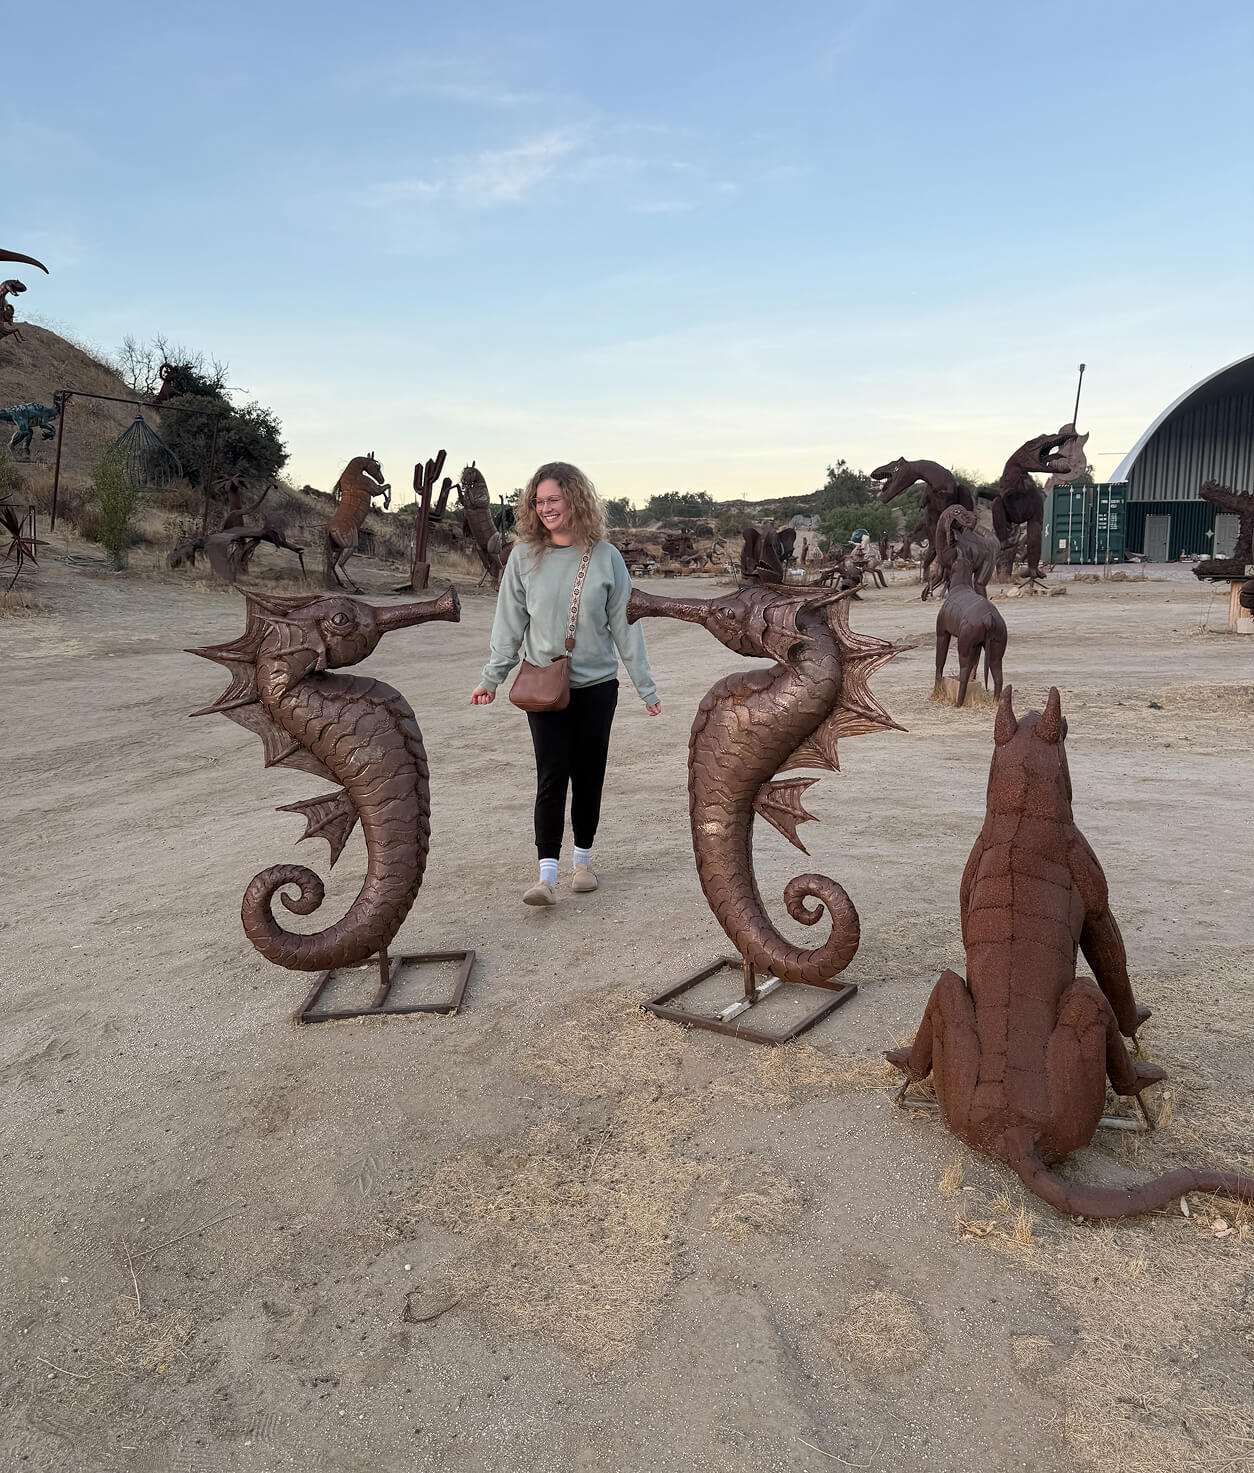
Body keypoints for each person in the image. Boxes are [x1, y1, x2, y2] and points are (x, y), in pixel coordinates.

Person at [469, 462, 661, 906]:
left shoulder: (606, 557)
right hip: (543, 686)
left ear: (575, 499)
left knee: (589, 773)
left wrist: (645, 688)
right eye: (539, 501)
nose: (546, 508)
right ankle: (546, 874)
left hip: (596, 686)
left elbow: (625, 628)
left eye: (553, 499)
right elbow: (508, 626)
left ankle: (583, 862)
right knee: (551, 774)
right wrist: (491, 679)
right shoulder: (522, 557)